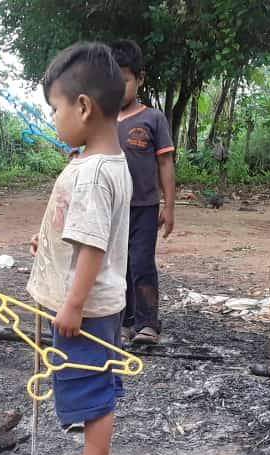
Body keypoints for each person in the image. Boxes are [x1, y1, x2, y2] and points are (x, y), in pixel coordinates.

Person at [27, 42, 132, 455]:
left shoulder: (90, 174)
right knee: (93, 380)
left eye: (55, 108)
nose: (54, 119)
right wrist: (47, 240)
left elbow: (92, 247)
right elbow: (85, 231)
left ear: (83, 107)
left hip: (85, 308)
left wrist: (72, 304)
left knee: (90, 385)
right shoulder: (107, 163)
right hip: (99, 300)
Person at [110, 39, 176, 345]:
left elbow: (165, 162)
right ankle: (125, 322)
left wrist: (170, 207)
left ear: (139, 79)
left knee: (141, 263)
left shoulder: (153, 119)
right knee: (116, 265)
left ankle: (149, 323)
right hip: (112, 209)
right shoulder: (102, 120)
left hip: (145, 207)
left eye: (124, 81)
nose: (118, 87)